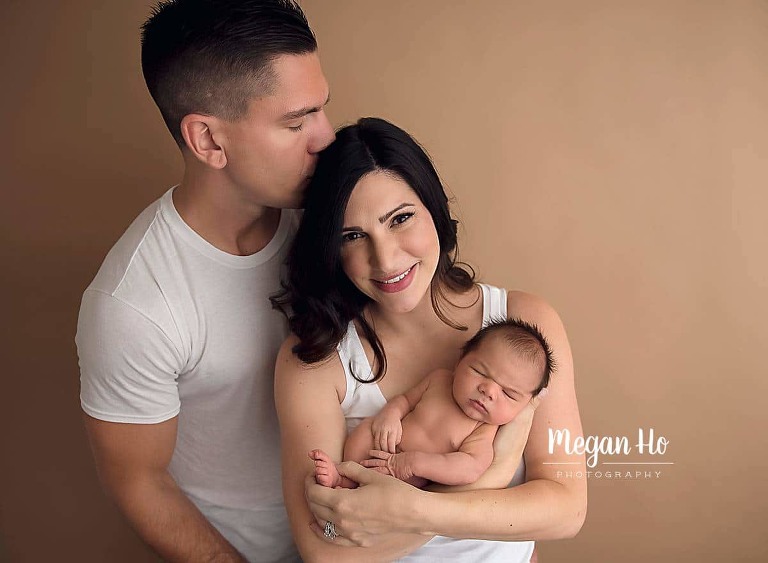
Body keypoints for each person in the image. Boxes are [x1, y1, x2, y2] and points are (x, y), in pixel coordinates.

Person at [76, 1, 334, 561]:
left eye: (321, 111)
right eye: (296, 122)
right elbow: (138, 480)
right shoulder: (134, 303)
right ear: (208, 141)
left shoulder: (337, 219)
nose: (326, 138)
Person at [273, 117, 587, 562]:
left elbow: (566, 509)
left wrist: (412, 508)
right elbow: (325, 553)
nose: (385, 259)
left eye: (400, 219)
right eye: (353, 236)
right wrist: (489, 478)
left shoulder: (523, 323)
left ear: (434, 208)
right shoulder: (315, 358)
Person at [311, 318, 555, 490]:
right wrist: (391, 415)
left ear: (525, 404)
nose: (488, 391)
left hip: (409, 475)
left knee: (403, 490)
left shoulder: (483, 430)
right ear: (461, 360)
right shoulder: (439, 380)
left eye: (508, 394)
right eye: (480, 371)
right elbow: (405, 400)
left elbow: (470, 468)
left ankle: (352, 489)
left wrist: (415, 463)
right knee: (367, 430)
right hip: (384, 445)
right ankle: (342, 476)